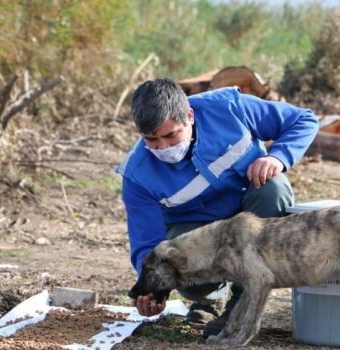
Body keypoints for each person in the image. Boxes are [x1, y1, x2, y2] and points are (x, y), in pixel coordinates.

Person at [117, 78, 318, 338]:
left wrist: (277, 157)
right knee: (176, 259)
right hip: (199, 232)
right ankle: (209, 299)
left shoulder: (230, 109)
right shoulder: (137, 175)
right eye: (151, 140)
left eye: (170, 135)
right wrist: (152, 289)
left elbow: (303, 119)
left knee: (274, 188)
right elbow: (147, 242)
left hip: (251, 211)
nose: (163, 147)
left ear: (189, 115)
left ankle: (243, 299)